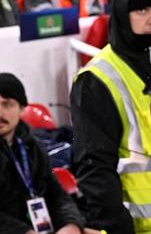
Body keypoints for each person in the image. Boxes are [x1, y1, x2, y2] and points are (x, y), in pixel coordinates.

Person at [70, 0, 151, 233]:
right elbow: (94, 167)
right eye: (141, 10)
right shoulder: (96, 79)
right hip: (134, 226)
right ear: (120, 13)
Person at [0, 73, 96, 234]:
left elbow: (56, 194)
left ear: (22, 108)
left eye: (7, 104)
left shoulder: (32, 146)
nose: (0, 113)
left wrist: (70, 224)